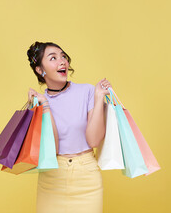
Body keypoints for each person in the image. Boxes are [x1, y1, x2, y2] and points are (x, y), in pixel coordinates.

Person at [26, 41, 111, 213]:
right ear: (40, 70)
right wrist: (45, 106)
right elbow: (53, 148)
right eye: (53, 58)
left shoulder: (87, 91)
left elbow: (94, 140)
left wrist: (99, 96)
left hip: (87, 178)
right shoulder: (38, 103)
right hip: (52, 180)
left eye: (63, 56)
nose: (62, 61)